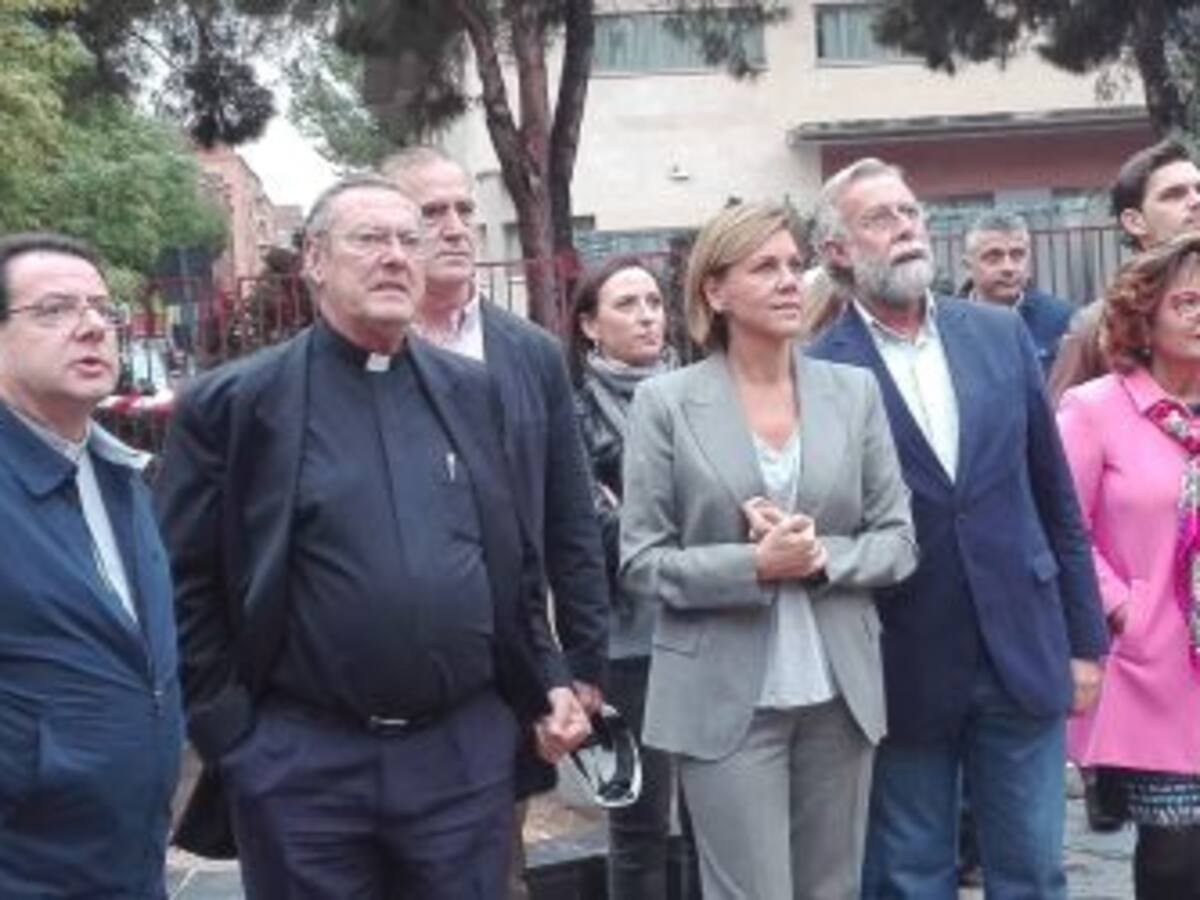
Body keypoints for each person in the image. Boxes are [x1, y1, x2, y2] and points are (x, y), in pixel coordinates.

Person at [156, 175, 589, 898]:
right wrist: (236, 739)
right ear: (315, 262)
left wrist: (546, 677)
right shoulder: (236, 405)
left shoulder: (472, 392)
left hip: (461, 757)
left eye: (407, 240)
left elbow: (510, 560)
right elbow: (184, 582)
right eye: (370, 239)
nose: (395, 256)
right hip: (304, 764)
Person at [807, 157, 1108, 899]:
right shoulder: (818, 370)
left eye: (910, 212)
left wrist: (1084, 641)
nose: (907, 228)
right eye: (880, 218)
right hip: (902, 658)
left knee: (1034, 872)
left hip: (1022, 648)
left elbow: (1055, 500)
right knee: (910, 876)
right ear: (838, 250)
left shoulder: (998, 335)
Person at [620, 202, 917, 899]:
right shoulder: (665, 402)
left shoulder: (854, 392)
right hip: (723, 697)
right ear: (714, 292)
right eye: (765, 267)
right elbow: (641, 562)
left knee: (831, 890)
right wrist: (753, 565)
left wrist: (818, 559)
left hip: (839, 693)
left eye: (794, 264)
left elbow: (898, 541)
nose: (790, 280)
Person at [382, 147, 609, 897]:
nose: (454, 228)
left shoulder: (531, 355)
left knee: (492, 873)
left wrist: (581, 667)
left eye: (464, 211)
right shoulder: (362, 349)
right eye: (431, 213)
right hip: (376, 683)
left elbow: (572, 517)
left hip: (505, 668)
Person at [0, 232, 183, 897]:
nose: (89, 328)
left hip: (126, 860)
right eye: (53, 310)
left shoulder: (117, 472)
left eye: (102, 310)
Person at [1058, 232, 1200, 897]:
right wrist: (1122, 605)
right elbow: (1063, 528)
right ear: (1144, 316)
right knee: (1176, 849)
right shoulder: (1094, 410)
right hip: (1156, 666)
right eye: (1189, 301)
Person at [567, 255, 700, 900]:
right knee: (639, 824)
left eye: (653, 301)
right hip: (628, 642)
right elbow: (595, 538)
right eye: (626, 304)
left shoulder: (707, 395)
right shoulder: (572, 418)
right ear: (589, 325)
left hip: (712, 627)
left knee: (715, 819)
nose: (648, 315)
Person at [1048, 139, 1200, 400]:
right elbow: (1057, 434)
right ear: (1135, 222)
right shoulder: (1096, 327)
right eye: (1174, 194)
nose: (1195, 201)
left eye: (1198, 190)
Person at [961, 210, 1074, 372]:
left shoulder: (1063, 320)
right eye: (994, 257)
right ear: (968, 266)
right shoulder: (944, 324)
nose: (1009, 268)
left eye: (1017, 255)